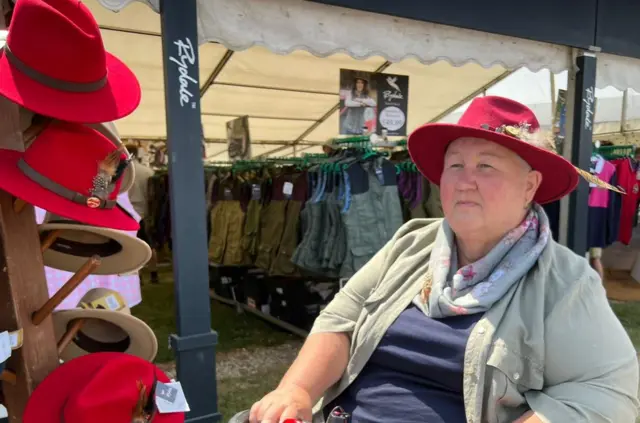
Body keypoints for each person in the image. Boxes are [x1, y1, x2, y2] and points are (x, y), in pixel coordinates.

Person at [241, 96, 639, 423]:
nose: (465, 180)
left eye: (486, 165)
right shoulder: (411, 243)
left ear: (529, 185)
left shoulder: (565, 282)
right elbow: (340, 322)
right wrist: (295, 389)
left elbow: (607, 393)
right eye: (455, 165)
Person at [126, 143, 159, 284]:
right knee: (150, 246)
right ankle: (154, 274)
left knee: (132, 246)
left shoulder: (122, 171)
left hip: (128, 213)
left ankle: (137, 275)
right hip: (145, 213)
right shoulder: (148, 171)